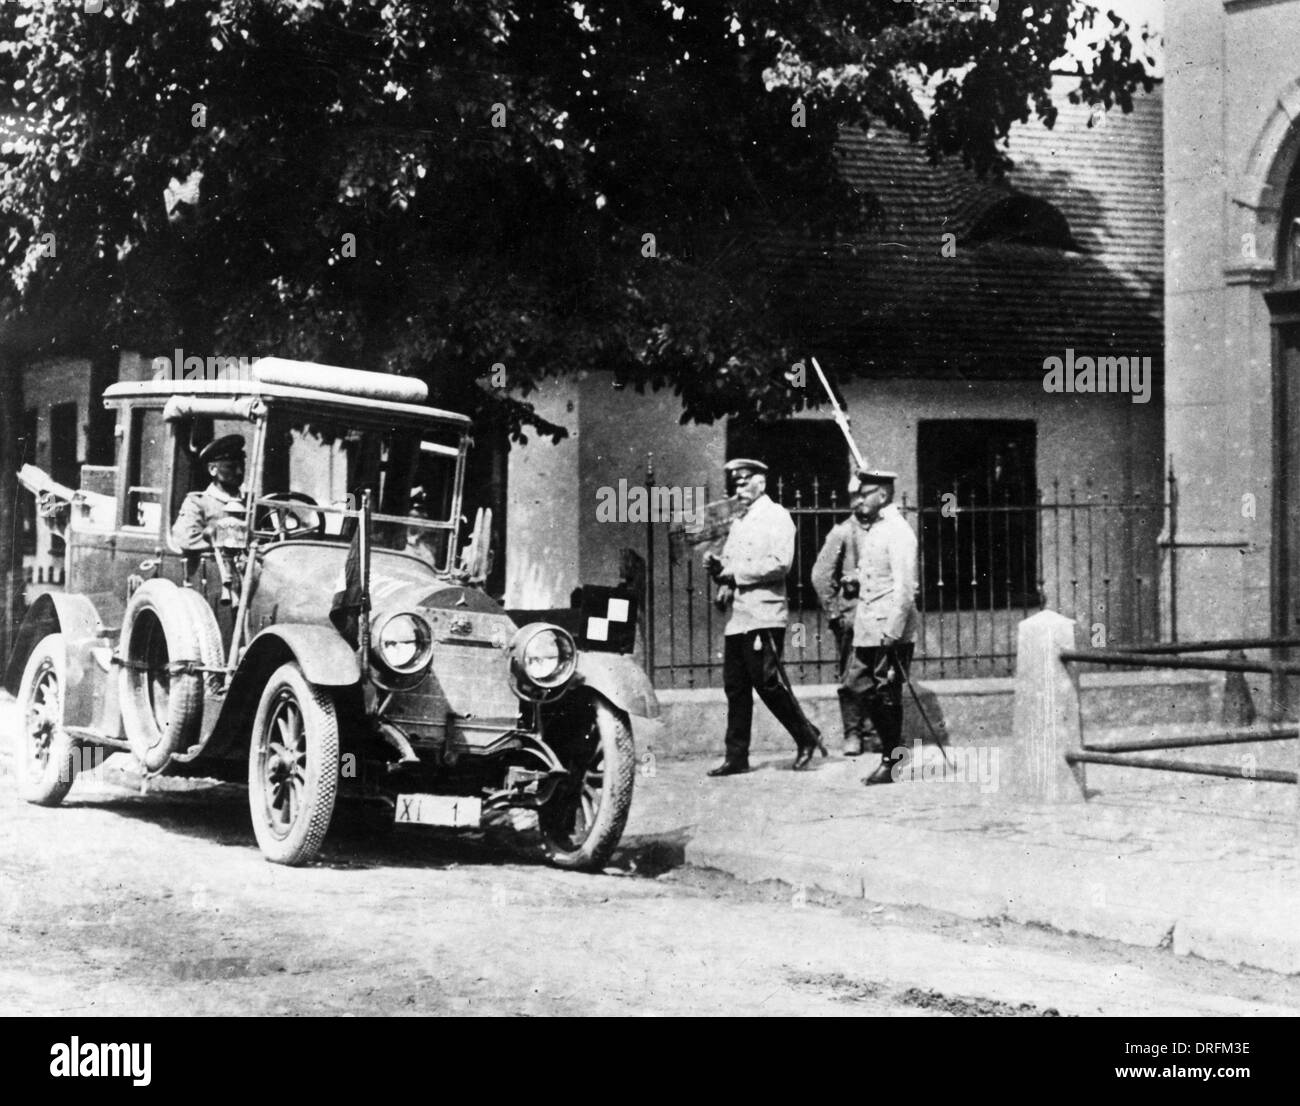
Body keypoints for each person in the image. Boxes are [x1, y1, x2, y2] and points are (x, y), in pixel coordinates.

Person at [702, 458, 825, 777]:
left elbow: (780, 563)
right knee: (735, 687)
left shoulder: (777, 517)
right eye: (734, 484)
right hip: (739, 617)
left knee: (767, 684)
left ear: (762, 482)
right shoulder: (740, 521)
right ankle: (736, 756)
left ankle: (806, 735)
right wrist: (719, 573)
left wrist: (732, 574)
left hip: (765, 614)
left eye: (744, 481)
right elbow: (730, 563)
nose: (738, 488)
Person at [838, 469, 919, 785]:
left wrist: (893, 630)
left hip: (888, 628)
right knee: (856, 683)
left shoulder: (899, 531)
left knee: (887, 692)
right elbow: (877, 574)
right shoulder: (877, 529)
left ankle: (892, 760)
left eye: (864, 493)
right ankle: (895, 749)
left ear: (882, 495)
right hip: (868, 627)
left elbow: (904, 588)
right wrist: (856, 579)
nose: (858, 500)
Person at [811, 481, 880, 757]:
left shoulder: (884, 530)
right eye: (855, 496)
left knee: (879, 675)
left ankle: (875, 732)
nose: (860, 501)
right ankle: (853, 733)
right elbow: (820, 575)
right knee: (852, 676)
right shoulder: (842, 532)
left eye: (865, 495)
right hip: (852, 617)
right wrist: (834, 612)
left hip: (881, 616)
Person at [171, 434, 248, 552]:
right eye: (231, 467)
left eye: (242, 465)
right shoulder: (197, 503)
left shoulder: (249, 502)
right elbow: (186, 539)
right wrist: (225, 536)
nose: (239, 472)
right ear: (213, 469)